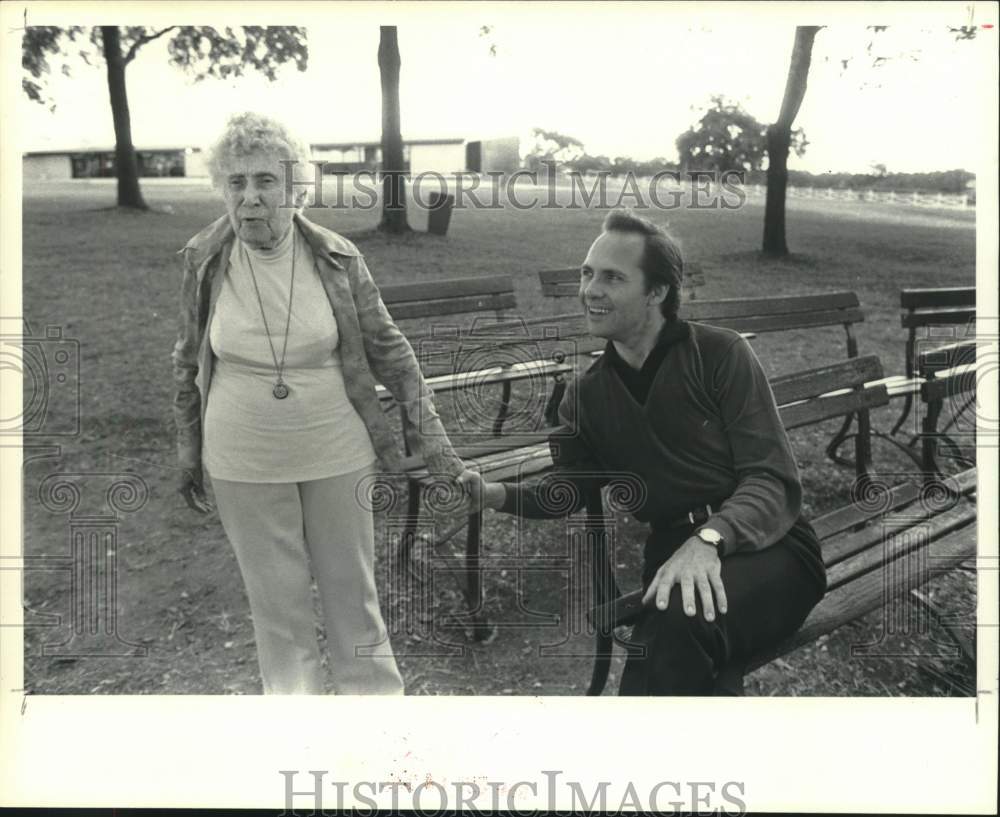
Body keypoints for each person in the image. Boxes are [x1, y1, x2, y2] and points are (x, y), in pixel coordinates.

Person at [459, 210, 827, 695]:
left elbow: (772, 480)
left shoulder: (720, 355)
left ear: (657, 293)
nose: (590, 289)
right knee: (689, 653)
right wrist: (492, 494)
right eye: (587, 274)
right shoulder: (585, 395)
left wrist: (711, 539)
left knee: (677, 628)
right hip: (673, 557)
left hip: (772, 548)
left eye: (612, 277)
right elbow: (570, 488)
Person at [172, 112, 463, 694]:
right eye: (237, 183)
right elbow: (186, 357)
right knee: (277, 611)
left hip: (337, 450)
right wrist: (188, 447)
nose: (251, 199)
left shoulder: (337, 256)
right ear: (222, 188)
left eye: (266, 181)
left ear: (295, 187)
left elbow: (392, 353)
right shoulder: (204, 256)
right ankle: (298, 737)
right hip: (243, 457)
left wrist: (435, 444)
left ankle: (378, 726)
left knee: (353, 595)